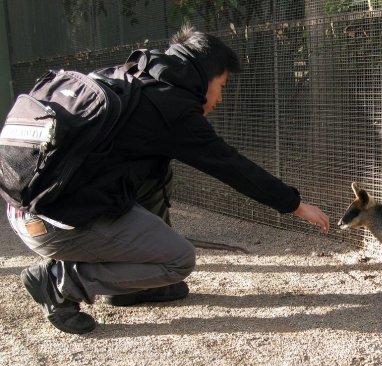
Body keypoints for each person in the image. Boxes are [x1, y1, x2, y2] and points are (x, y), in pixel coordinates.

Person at [6, 25, 330, 335]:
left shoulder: (131, 78)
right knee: (179, 259)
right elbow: (232, 166)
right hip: (55, 224)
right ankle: (59, 282)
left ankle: (130, 289)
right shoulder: (172, 109)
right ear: (206, 75)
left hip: (26, 209)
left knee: (156, 173)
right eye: (223, 85)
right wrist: (295, 204)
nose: (219, 99)